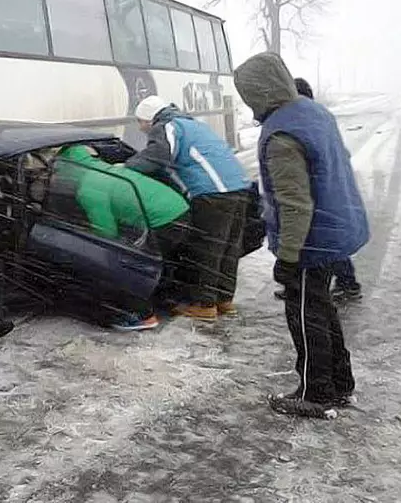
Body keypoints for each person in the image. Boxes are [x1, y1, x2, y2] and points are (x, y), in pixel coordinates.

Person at [234, 52, 369, 417]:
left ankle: (315, 391)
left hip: (311, 239)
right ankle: (341, 383)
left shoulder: (281, 133)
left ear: (258, 92)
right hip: (333, 228)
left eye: (248, 96)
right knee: (322, 310)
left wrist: (289, 258)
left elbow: (295, 204)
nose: (249, 106)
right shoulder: (313, 113)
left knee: (306, 315)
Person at [125, 95, 251, 321]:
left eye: (140, 121)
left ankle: (204, 304)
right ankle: (224, 299)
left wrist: (126, 167)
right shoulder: (191, 124)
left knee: (207, 247)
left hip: (213, 191)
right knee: (228, 246)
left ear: (148, 118)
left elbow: (157, 156)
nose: (140, 127)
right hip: (238, 186)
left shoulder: (166, 126)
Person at [55, 144, 192, 330]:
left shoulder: (88, 187)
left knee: (127, 264)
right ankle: (166, 298)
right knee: (161, 259)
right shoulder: (107, 170)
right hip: (179, 208)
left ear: (68, 168)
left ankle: (141, 315)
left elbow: (106, 232)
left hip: (162, 220)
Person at [274, 78, 362, 302]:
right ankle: (341, 283)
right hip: (329, 192)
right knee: (327, 241)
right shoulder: (317, 117)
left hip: (323, 194)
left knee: (325, 242)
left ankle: (347, 283)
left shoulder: (304, 121)